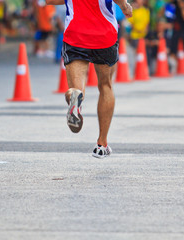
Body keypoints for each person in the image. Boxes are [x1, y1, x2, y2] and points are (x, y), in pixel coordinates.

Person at [46, 0, 132, 158]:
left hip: (75, 35)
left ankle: (75, 100)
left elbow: (49, 1)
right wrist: (125, 6)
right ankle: (102, 144)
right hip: (104, 35)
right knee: (106, 86)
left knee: (77, 90)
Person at [169, 0, 184, 76]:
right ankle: (172, 68)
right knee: (173, 49)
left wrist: (182, 7)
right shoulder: (174, 4)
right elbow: (168, 12)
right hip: (176, 30)